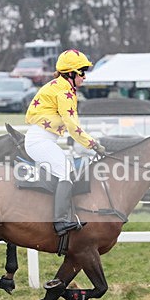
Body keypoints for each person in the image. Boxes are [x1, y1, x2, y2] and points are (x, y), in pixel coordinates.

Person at [24, 49, 106, 236]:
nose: (85, 77)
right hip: (40, 141)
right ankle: (60, 221)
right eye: (82, 72)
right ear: (71, 73)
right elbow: (72, 126)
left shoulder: (61, 87)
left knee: (66, 171)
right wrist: (93, 144)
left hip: (42, 139)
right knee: (65, 173)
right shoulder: (64, 92)